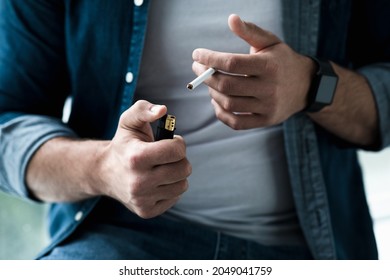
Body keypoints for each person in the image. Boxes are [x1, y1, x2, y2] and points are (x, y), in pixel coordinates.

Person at [0, 0, 389, 260]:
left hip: (314, 249)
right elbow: (8, 126)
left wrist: (310, 85)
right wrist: (104, 168)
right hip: (120, 240)